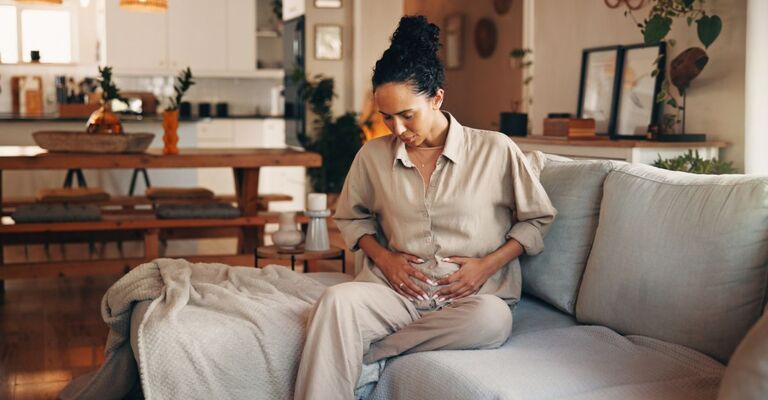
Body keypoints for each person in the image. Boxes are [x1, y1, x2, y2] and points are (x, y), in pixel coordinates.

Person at [294, 15, 556, 399]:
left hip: (469, 301)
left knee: (493, 320)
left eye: (406, 115)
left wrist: (486, 265)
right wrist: (384, 259)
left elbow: (537, 219)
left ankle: (375, 355)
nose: (396, 130)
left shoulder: (495, 150)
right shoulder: (372, 156)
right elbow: (351, 216)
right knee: (335, 302)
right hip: (394, 294)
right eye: (386, 117)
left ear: (437, 98)